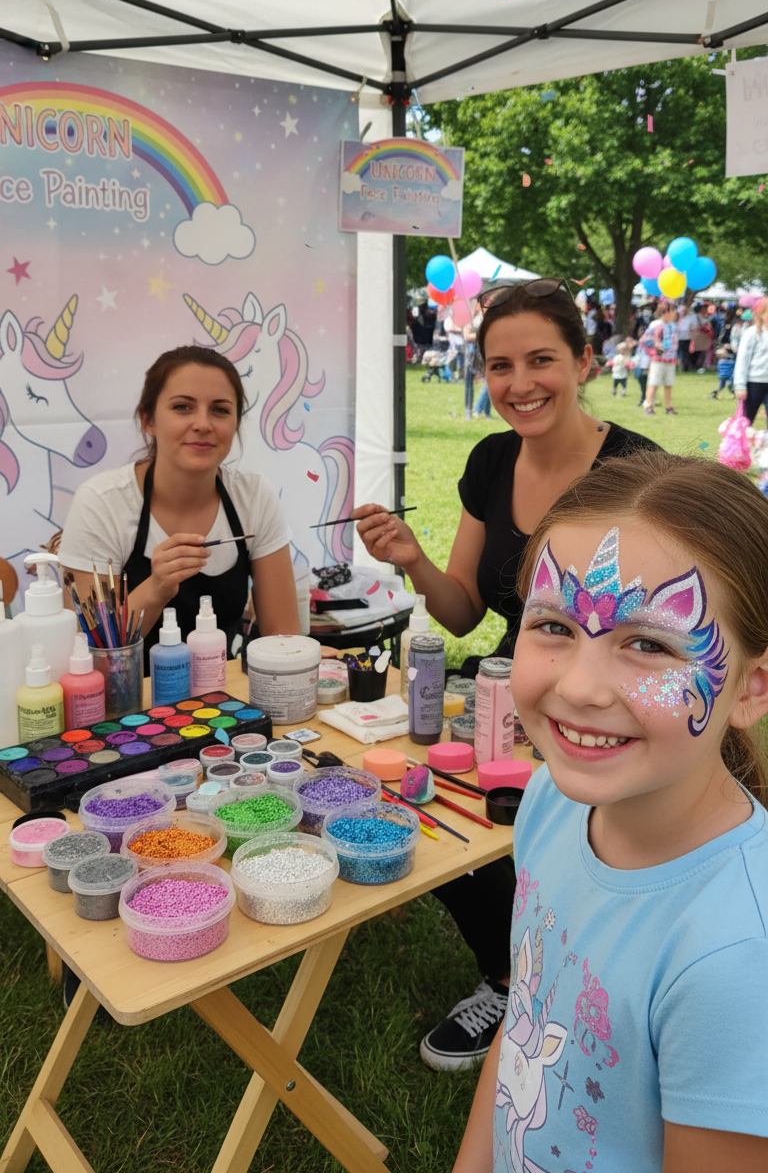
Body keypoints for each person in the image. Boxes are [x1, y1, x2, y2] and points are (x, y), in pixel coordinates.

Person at [354, 278, 657, 1072]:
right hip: (500, 688)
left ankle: (590, 988)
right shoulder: (491, 461)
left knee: (537, 827)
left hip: (603, 701)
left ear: (586, 362)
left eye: (541, 360)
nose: (519, 384)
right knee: (431, 803)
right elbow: (460, 615)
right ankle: (507, 976)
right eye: (499, 366)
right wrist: (412, 560)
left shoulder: (636, 471)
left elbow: (654, 633)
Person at [452, 451, 768, 1173]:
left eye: (649, 644)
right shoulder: (548, 803)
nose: (584, 687)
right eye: (555, 627)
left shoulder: (738, 957)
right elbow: (525, 1019)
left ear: (751, 689)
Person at [60, 345, 300, 669]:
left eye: (220, 410)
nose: (203, 424)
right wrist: (156, 589)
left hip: (223, 701)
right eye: (183, 407)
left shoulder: (254, 496)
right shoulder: (102, 504)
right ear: (148, 420)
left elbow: (284, 640)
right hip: (124, 707)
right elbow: (87, 662)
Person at [734, 297, 768, 426]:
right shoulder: (751, 333)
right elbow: (743, 360)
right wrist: (740, 385)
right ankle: (742, 445)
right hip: (754, 382)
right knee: (746, 421)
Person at [644, 300, 678, 415]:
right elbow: (645, 340)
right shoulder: (655, 325)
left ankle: (669, 406)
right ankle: (649, 406)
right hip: (658, 360)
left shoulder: (673, 326)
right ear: (666, 312)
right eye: (672, 311)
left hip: (670, 359)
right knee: (653, 382)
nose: (674, 314)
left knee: (668, 383)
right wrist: (655, 349)